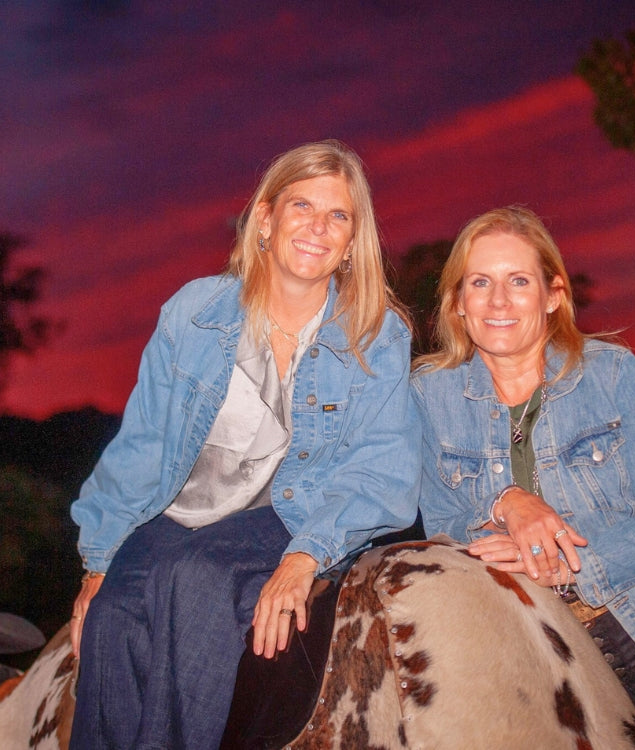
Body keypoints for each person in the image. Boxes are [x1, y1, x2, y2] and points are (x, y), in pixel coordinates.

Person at [68, 139, 421, 750]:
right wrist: (98, 561)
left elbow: (384, 468)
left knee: (197, 579)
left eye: (338, 216)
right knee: (113, 618)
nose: (318, 227)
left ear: (352, 240)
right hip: (180, 513)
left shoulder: (376, 331)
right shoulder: (193, 313)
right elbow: (143, 444)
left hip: (292, 513)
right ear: (265, 218)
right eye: (302, 206)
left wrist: (305, 556)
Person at [411, 205, 635, 750]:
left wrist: (566, 570)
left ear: (553, 296)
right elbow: (447, 531)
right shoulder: (430, 396)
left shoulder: (610, 373)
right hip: (555, 655)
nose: (498, 301)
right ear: (457, 303)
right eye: (480, 282)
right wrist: (507, 500)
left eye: (518, 281)